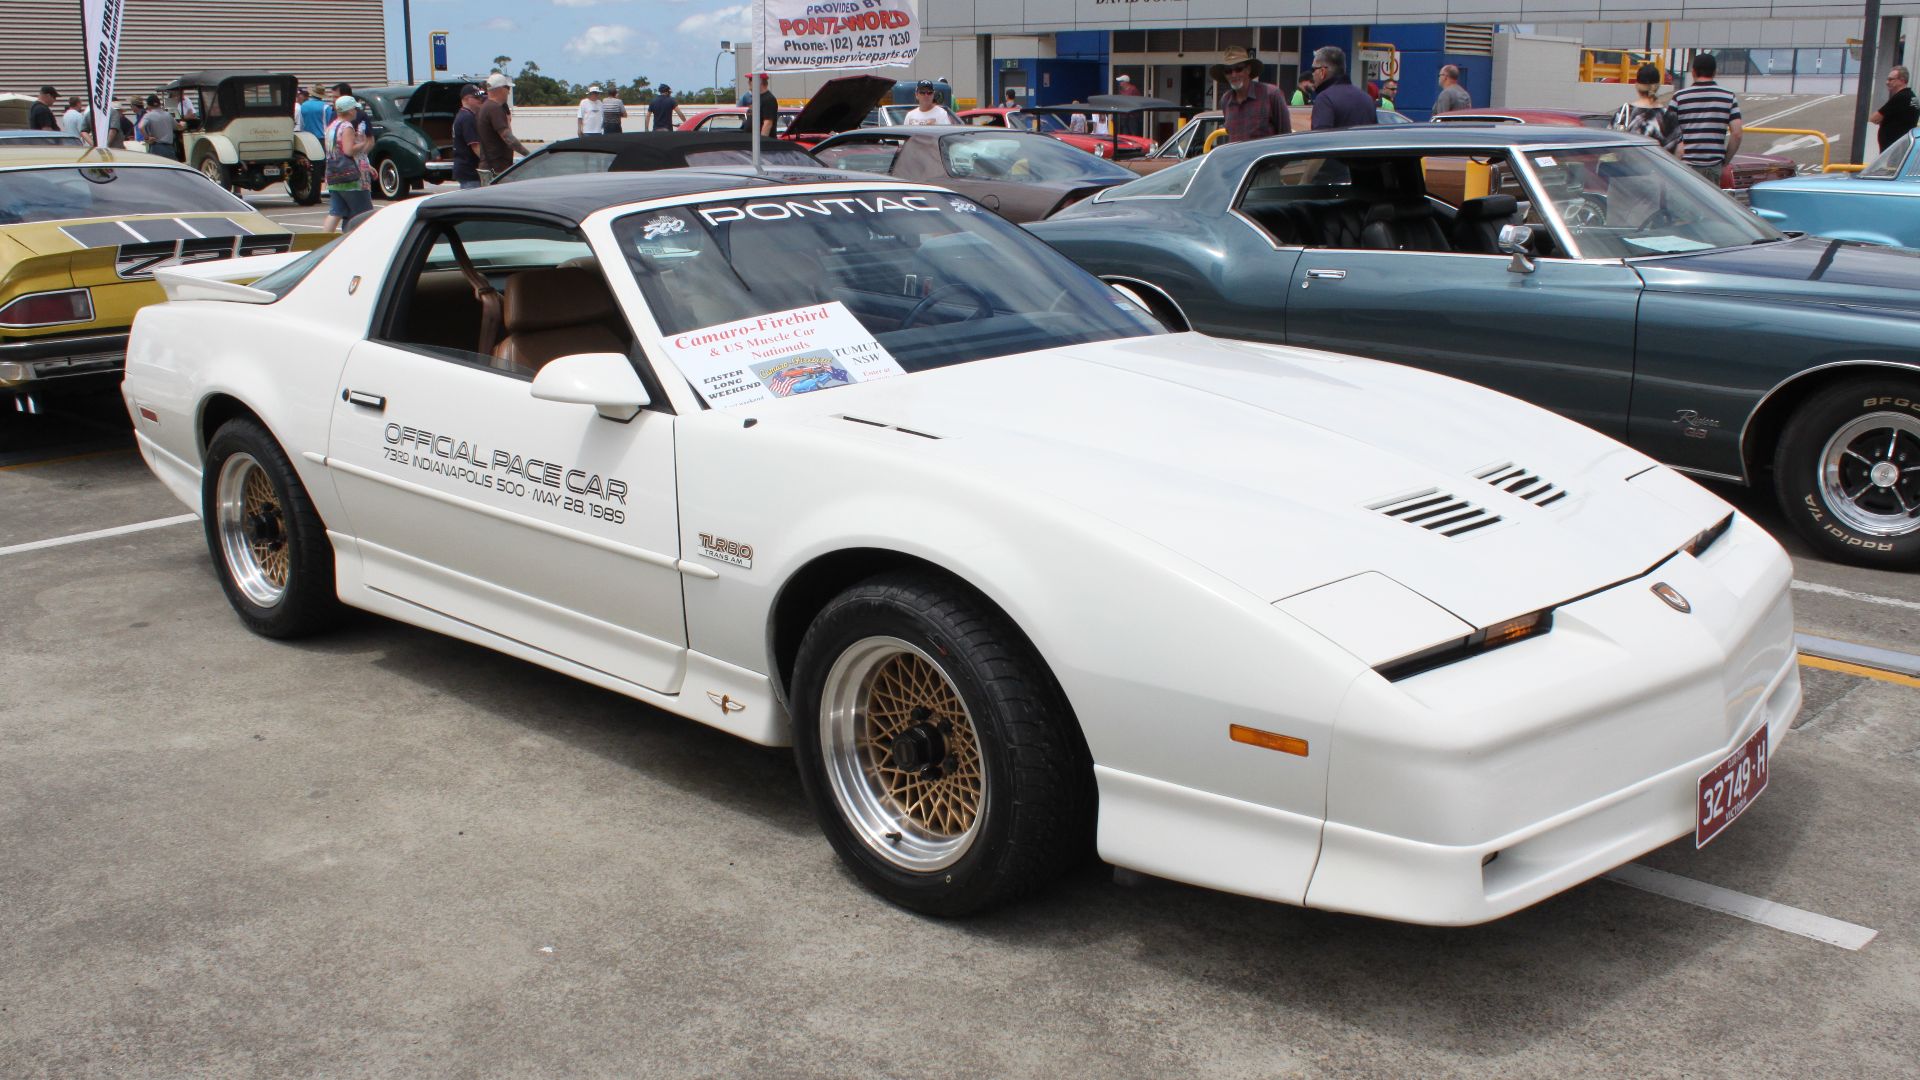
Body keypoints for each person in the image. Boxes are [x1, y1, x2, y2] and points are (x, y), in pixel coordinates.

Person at [1668, 53, 1742, 188]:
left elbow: (1668, 133)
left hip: (1685, 165)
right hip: (1713, 166)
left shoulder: (1679, 97)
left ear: (1693, 72)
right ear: (1715, 72)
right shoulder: (1728, 97)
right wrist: (1724, 162)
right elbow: (1737, 134)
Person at [1211, 46, 1289, 144]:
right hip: (1237, 158)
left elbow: (1286, 137)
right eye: (1228, 71)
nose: (1234, 75)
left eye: (1238, 69)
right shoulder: (1226, 100)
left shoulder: (1272, 95)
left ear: (1248, 69)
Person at [321, 96, 374, 231]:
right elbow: (349, 151)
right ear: (350, 110)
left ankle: (323, 241)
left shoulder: (331, 126)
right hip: (352, 178)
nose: (356, 111)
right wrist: (362, 144)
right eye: (355, 108)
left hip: (334, 175)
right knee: (363, 214)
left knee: (336, 212)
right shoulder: (347, 126)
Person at [1611, 63, 1680, 154]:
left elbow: (1611, 145)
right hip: (1657, 167)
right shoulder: (1669, 116)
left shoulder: (1624, 112)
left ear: (1636, 85)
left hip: (1627, 167)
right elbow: (1679, 151)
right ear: (1658, 85)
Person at [477, 72, 530, 182]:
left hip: (488, 168)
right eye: (507, 88)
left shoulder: (485, 107)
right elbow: (507, 137)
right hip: (496, 170)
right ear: (500, 89)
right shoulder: (494, 108)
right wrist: (529, 155)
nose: (509, 91)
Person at [1308, 46, 1375, 130]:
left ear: (1322, 72)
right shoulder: (1367, 99)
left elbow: (1320, 139)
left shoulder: (1325, 99)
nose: (1312, 74)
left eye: (1313, 69)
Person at [1871, 66, 1916, 152]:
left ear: (1902, 80)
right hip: (1903, 148)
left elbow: (1874, 118)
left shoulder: (1900, 97)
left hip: (1894, 150)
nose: (1887, 82)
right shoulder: (1912, 97)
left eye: (1891, 79)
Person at [450, 84, 485, 189]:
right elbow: (475, 147)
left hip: (465, 169)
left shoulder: (463, 115)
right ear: (467, 99)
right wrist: (487, 163)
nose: (481, 99)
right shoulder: (467, 118)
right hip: (469, 172)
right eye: (477, 97)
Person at [139, 96, 177, 160]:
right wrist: (183, 124)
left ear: (149, 106)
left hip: (156, 147)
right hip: (169, 148)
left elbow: (141, 127)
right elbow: (178, 127)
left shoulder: (148, 116)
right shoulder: (168, 115)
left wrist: (147, 138)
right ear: (159, 104)